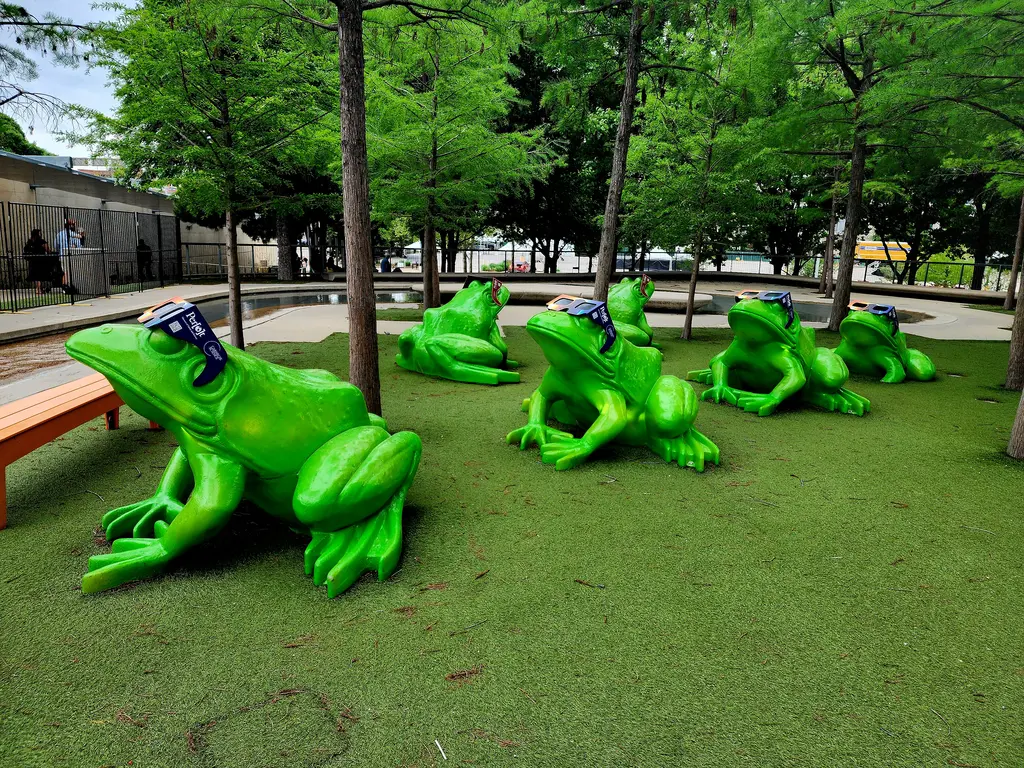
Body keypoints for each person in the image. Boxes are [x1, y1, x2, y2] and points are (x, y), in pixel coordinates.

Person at [23, 229, 59, 294]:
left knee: (36, 275)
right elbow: (48, 250)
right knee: (40, 275)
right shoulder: (41, 241)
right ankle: (39, 289)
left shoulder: (30, 242)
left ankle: (39, 288)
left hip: (33, 260)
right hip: (41, 260)